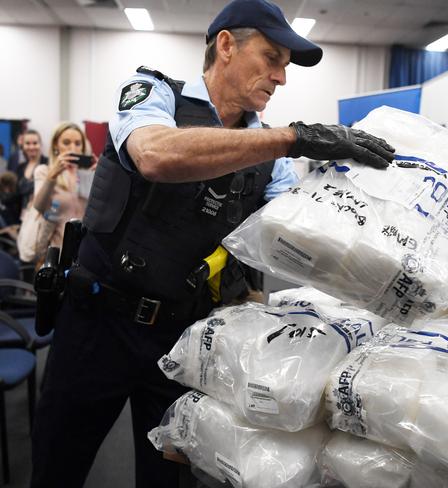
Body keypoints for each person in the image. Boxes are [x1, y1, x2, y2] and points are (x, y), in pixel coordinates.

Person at [30, 1, 394, 487]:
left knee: (169, 480)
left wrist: (387, 230)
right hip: (96, 323)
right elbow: (155, 154)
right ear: (226, 45)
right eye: (271, 59)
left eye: (284, 67)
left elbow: (304, 231)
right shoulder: (153, 96)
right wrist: (293, 139)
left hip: (180, 339)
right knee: (57, 468)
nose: (280, 77)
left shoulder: (272, 155)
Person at [32, 122, 96, 251]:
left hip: (86, 249)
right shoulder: (44, 171)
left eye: (78, 143)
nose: (72, 148)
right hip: (58, 249)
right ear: (56, 145)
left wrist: (101, 175)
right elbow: (39, 206)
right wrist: (52, 176)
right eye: (66, 143)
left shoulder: (88, 174)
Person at [16, 129, 48, 213]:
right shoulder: (20, 167)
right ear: (23, 146)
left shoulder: (48, 164)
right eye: (27, 143)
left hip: (41, 214)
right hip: (22, 217)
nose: (31, 147)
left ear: (40, 144)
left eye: (35, 143)